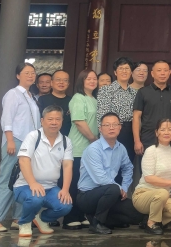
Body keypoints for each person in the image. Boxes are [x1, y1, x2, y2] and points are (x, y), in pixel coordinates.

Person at [0, 62, 40, 232]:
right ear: (18, 76)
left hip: (30, 143)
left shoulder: (32, 97)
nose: (30, 75)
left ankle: (18, 218)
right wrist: (9, 140)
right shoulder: (13, 94)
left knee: (23, 180)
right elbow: (7, 119)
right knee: (7, 179)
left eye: (33, 73)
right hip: (16, 140)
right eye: (26, 73)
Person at [77, 113, 144, 234]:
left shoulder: (121, 148)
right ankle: (97, 223)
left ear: (120, 127)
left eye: (115, 124)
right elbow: (100, 179)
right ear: (100, 129)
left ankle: (102, 219)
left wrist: (124, 188)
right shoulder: (93, 149)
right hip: (88, 196)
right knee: (113, 189)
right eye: (107, 125)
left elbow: (128, 168)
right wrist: (119, 189)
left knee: (137, 214)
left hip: (109, 196)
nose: (111, 128)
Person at [13, 105, 73, 237]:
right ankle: (25, 222)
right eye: (50, 119)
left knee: (66, 205)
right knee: (35, 198)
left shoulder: (65, 141)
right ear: (42, 121)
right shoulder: (33, 136)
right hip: (25, 186)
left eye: (57, 119)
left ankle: (42, 219)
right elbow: (23, 160)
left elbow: (68, 165)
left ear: (62, 121)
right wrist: (33, 183)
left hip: (50, 187)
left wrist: (65, 189)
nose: (54, 122)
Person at [133, 118, 171, 235]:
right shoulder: (151, 151)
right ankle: (151, 224)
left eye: (170, 129)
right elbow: (148, 178)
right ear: (156, 132)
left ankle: (150, 220)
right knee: (163, 193)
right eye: (162, 130)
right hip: (143, 194)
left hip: (163, 198)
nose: (166, 132)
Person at [63, 69, 100, 229]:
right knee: (74, 183)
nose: (92, 81)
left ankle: (80, 214)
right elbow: (79, 121)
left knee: (85, 184)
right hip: (78, 147)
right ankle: (69, 217)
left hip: (91, 149)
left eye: (94, 78)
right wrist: (93, 139)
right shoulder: (78, 98)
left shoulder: (94, 99)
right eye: (88, 78)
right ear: (81, 81)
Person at [133, 61, 171, 156]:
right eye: (159, 70)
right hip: (147, 139)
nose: (162, 73)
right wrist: (137, 141)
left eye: (165, 70)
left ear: (169, 73)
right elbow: (136, 117)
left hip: (168, 140)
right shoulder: (143, 92)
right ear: (152, 73)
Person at [96, 57, 138, 162]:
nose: (124, 71)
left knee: (127, 163)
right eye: (121, 68)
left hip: (131, 132)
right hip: (113, 130)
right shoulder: (106, 90)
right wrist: (104, 137)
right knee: (112, 163)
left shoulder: (135, 92)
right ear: (115, 72)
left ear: (131, 72)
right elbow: (102, 115)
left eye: (127, 68)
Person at [38, 70, 72, 137]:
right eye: (58, 80)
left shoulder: (72, 101)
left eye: (65, 80)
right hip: (46, 138)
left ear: (68, 84)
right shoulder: (43, 99)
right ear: (51, 83)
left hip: (66, 138)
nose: (61, 82)